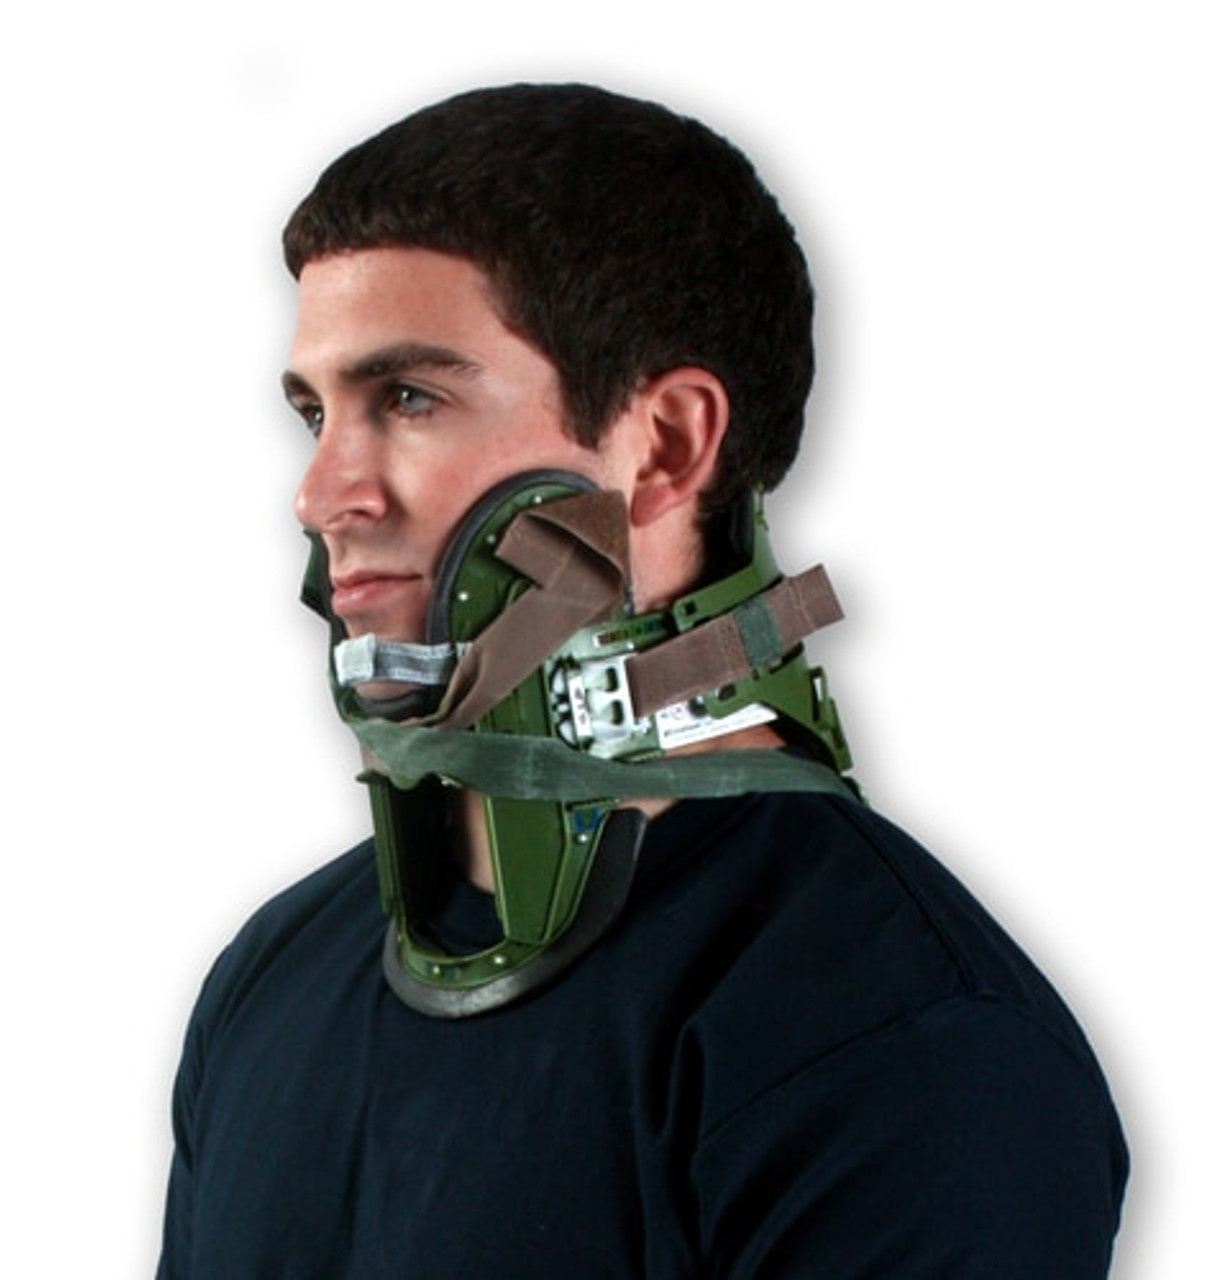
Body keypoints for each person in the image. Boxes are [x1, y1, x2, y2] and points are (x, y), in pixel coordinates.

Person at [158, 84, 1127, 1275]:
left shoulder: (906, 1039)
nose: (320, 495)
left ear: (665, 445)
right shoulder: (272, 976)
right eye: (315, 411)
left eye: (408, 398)